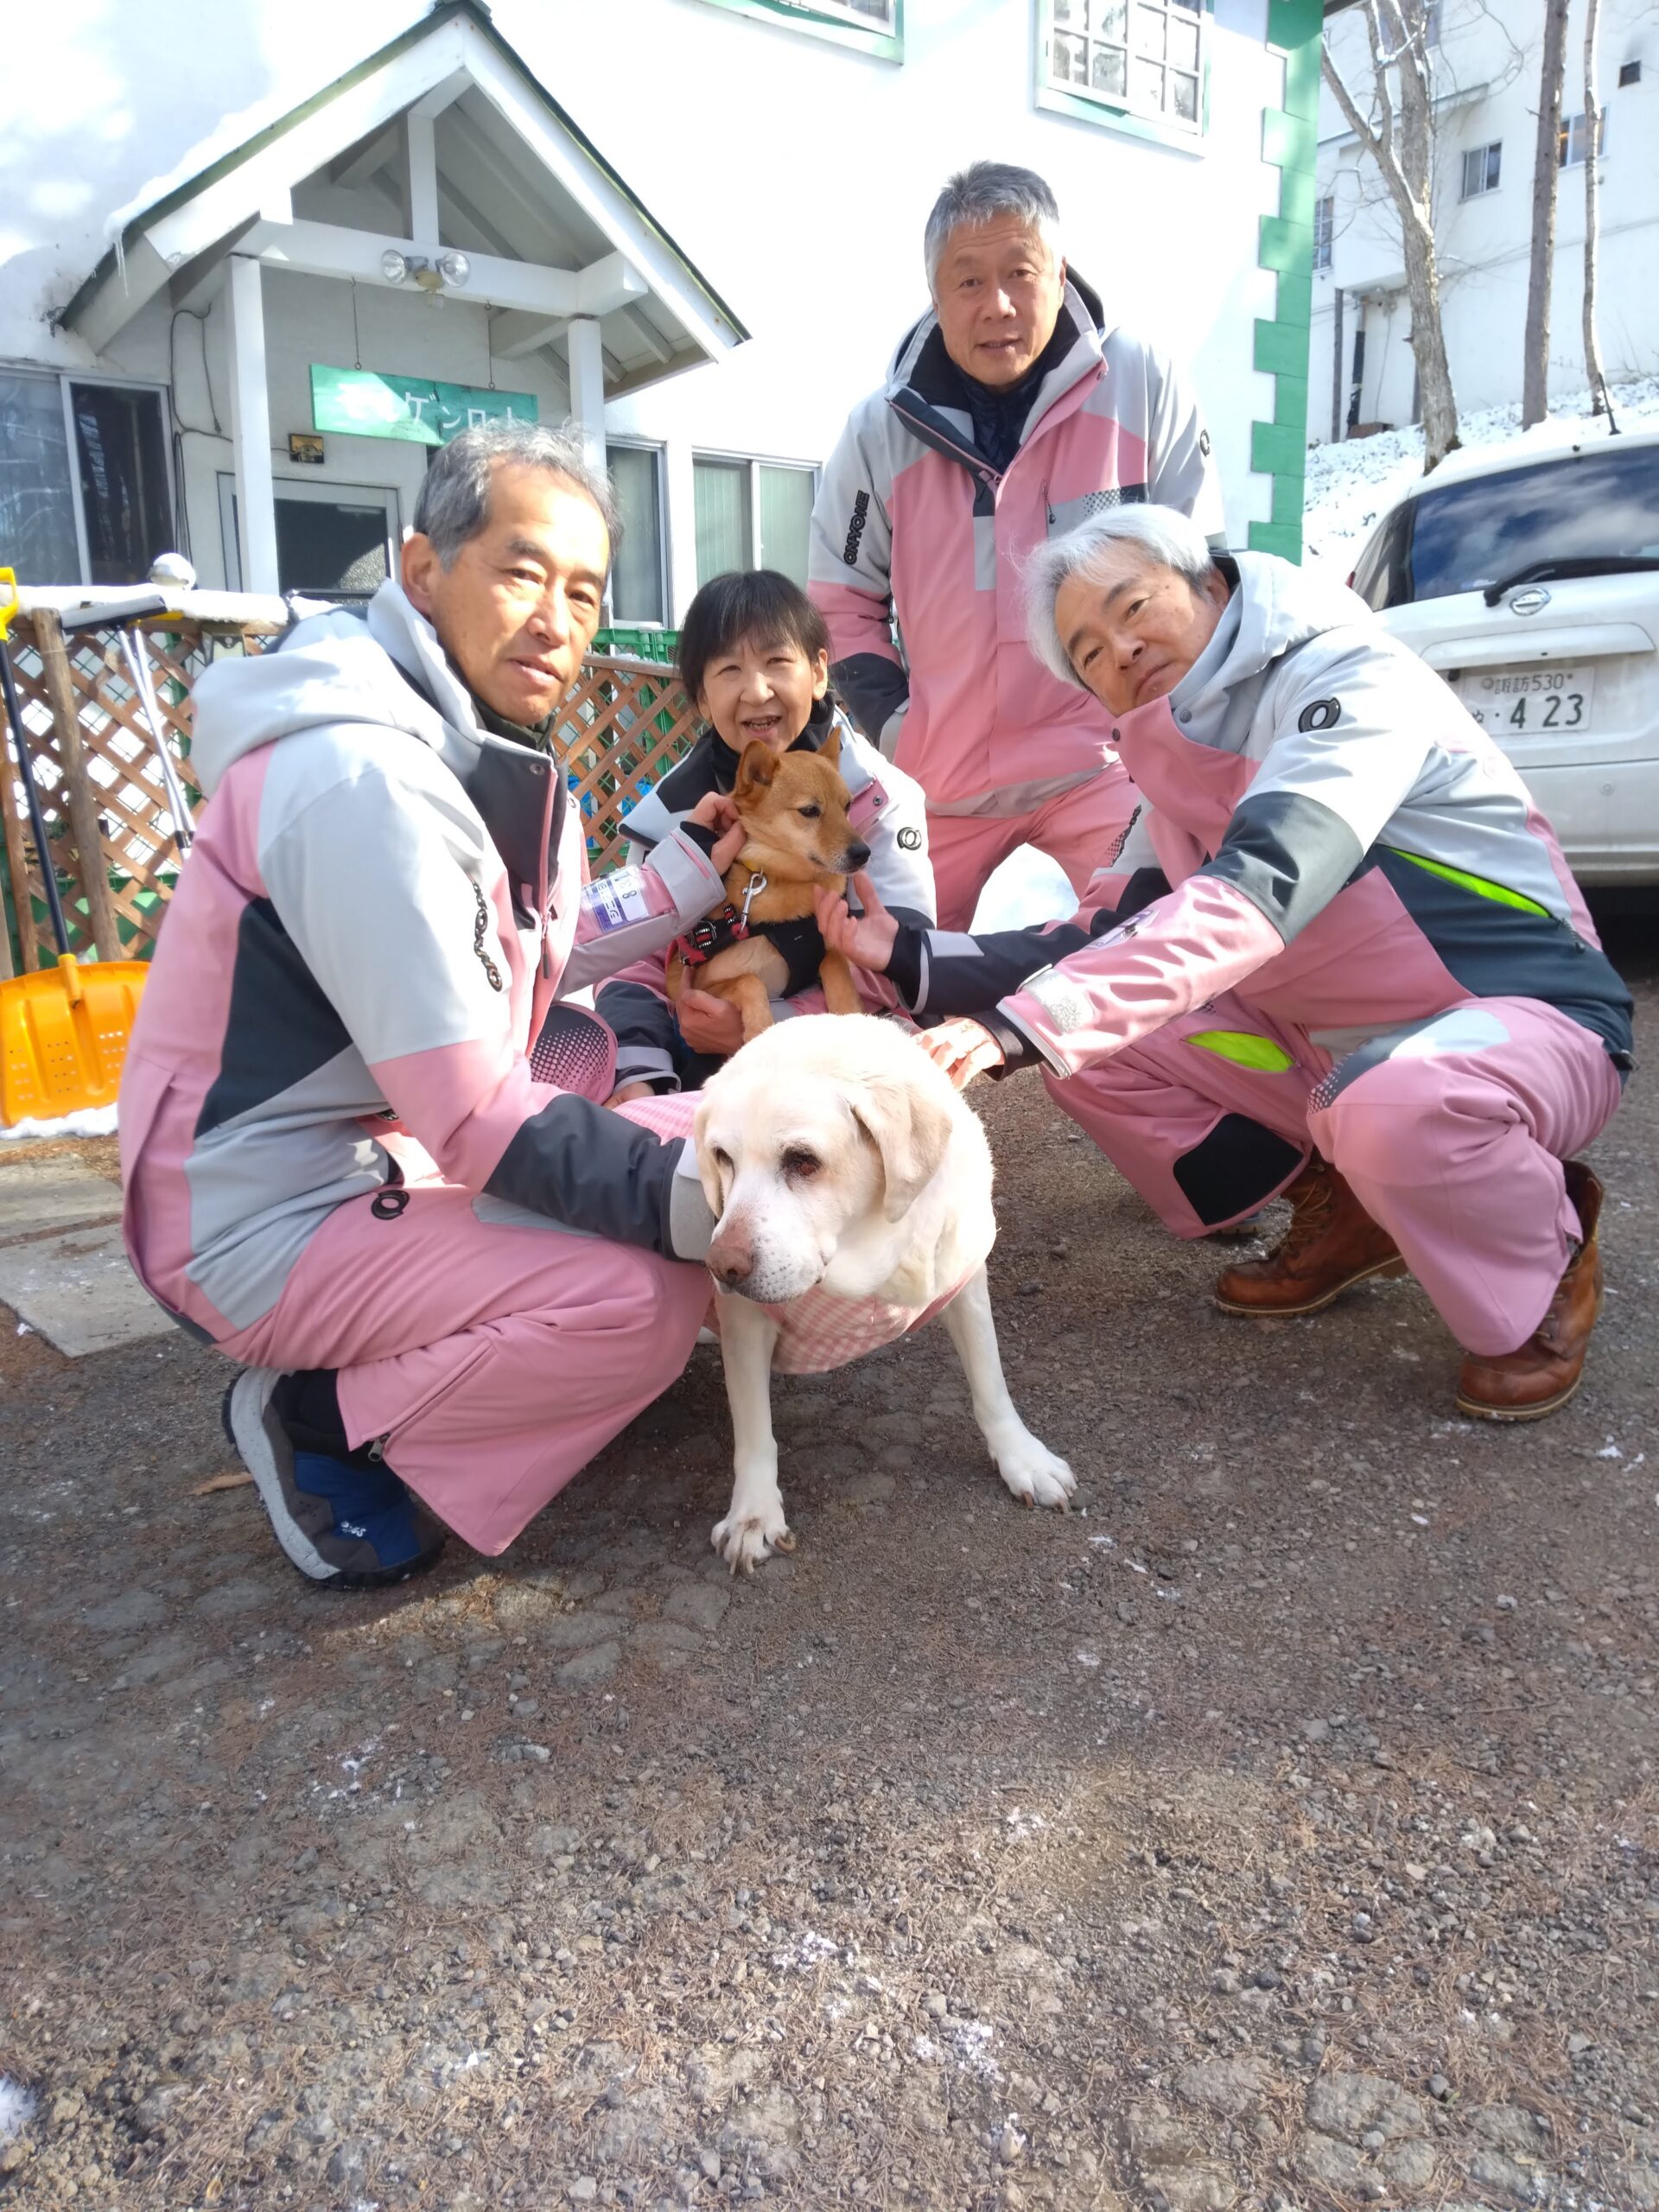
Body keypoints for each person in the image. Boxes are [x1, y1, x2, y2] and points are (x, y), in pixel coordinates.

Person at [817, 505, 1633, 1421]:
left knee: (1376, 1100)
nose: (1119, 650)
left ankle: (1546, 1243)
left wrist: (1019, 1026)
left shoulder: (1348, 678)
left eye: (1135, 608)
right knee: (1095, 1047)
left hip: (1524, 1020)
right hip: (1334, 1052)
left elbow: (1266, 881)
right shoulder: (1156, 759)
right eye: (1087, 651)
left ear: (1209, 583)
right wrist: (905, 954)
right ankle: (1357, 1204)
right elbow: (1085, 941)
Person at [120, 421, 747, 1589]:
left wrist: (680, 884)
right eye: (521, 571)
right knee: (645, 1289)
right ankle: (323, 1421)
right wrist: (719, 1225)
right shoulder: (360, 778)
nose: (556, 618)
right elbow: (475, 1115)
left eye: (583, 589)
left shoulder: (466, 740)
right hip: (263, 1221)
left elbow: (503, 956)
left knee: (702, 1131)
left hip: (375, 1150)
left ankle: (448, 1367)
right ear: (422, 570)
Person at [808, 159, 1223, 931]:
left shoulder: (1142, 383)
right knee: (887, 971)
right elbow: (839, 602)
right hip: (941, 785)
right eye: (967, 282)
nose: (996, 305)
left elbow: (1200, 569)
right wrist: (903, 729)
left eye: (1020, 273)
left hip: (1106, 766)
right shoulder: (877, 431)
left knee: (1151, 953)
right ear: (935, 296)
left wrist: (1163, 719)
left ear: (1059, 274)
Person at [597, 569, 934, 1099]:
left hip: (841, 1058)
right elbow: (630, 965)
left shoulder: (883, 798)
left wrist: (773, 1023)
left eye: (778, 661)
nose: (757, 690)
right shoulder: (664, 817)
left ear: (820, 671)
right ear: (702, 698)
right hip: (701, 1066)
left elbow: (906, 959)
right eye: (730, 668)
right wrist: (639, 1075)